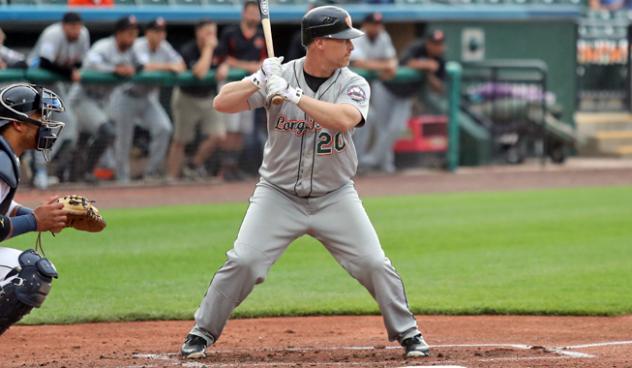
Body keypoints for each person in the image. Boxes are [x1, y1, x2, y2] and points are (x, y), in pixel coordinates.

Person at [180, 5, 430, 360]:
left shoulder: (353, 83)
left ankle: (409, 333)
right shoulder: (278, 75)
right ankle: (201, 332)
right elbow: (222, 103)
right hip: (278, 195)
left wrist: (295, 96)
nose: (351, 47)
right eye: (343, 40)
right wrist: (258, 80)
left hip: (335, 196)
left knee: (374, 263)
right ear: (318, 43)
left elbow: (344, 119)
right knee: (245, 262)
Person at [0, 83, 68, 335]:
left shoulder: (5, 154)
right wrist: (35, 222)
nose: (46, 124)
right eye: (40, 116)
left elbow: (4, 205)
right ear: (18, 124)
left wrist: (40, 216)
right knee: (30, 273)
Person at [66, 15, 139, 183]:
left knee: (83, 139)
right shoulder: (104, 46)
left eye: (134, 33)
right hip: (83, 97)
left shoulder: (131, 50)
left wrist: (132, 68)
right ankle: (85, 172)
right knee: (106, 132)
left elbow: (141, 64)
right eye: (129, 33)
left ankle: (74, 175)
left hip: (102, 100)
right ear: (119, 33)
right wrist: (115, 69)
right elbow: (90, 64)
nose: (132, 37)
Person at [110, 17, 184, 183]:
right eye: (156, 31)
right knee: (124, 139)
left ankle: (150, 173)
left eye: (162, 32)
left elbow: (181, 65)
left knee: (164, 128)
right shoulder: (138, 44)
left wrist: (171, 66)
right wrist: (168, 67)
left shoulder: (164, 46)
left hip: (147, 98)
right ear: (148, 33)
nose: (160, 35)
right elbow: (144, 67)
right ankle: (122, 178)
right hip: (127, 95)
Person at [29, 11, 90, 186]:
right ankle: (37, 168)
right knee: (39, 124)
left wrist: (71, 70)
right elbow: (44, 62)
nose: (76, 31)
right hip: (36, 82)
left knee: (67, 122)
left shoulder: (83, 34)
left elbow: (80, 61)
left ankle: (40, 165)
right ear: (63, 26)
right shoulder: (52, 34)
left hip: (53, 84)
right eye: (72, 27)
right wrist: (69, 72)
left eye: (78, 26)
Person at [166, 19, 226, 182]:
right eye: (208, 33)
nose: (212, 37)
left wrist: (224, 66)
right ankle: (171, 178)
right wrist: (208, 49)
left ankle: (193, 165)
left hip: (208, 97)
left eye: (213, 33)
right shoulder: (189, 49)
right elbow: (200, 72)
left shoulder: (219, 49)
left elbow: (225, 62)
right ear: (198, 33)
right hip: (187, 97)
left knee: (219, 136)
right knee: (180, 140)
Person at [214, 0, 267, 181]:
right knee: (230, 128)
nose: (253, 15)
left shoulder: (261, 35)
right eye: (250, 12)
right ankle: (224, 167)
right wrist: (247, 65)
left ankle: (233, 166)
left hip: (251, 86)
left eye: (256, 12)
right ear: (244, 13)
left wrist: (249, 66)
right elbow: (223, 59)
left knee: (242, 130)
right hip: (231, 85)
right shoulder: (230, 33)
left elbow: (264, 63)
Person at [349, 12, 404, 174]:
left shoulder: (383, 36)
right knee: (366, 118)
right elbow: (359, 62)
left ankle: (373, 163)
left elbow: (392, 59)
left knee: (374, 119)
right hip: (349, 86)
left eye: (379, 24)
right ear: (365, 25)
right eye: (373, 24)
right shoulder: (356, 36)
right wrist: (384, 66)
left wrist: (389, 65)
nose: (377, 27)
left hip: (369, 86)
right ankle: (355, 163)